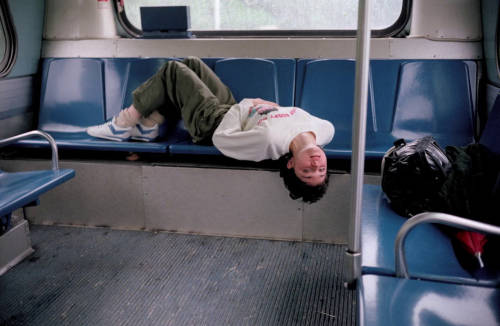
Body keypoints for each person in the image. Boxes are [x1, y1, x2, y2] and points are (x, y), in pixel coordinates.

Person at [87, 57, 335, 203]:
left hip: (213, 122)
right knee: (192, 63)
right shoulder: (323, 131)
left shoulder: (268, 140)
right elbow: (295, 120)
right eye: (321, 169)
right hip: (232, 110)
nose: (315, 164)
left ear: (291, 164)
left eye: (308, 171)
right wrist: (274, 108)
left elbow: (221, 138)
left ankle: (123, 124)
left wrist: (249, 104)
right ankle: (149, 125)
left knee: (174, 70)